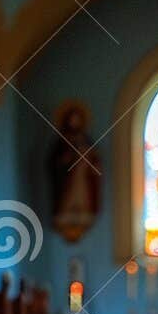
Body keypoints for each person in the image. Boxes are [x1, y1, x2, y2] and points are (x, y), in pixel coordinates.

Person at [48, 103, 101, 243]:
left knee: (81, 195)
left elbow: (95, 160)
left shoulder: (85, 140)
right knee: (69, 196)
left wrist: (90, 161)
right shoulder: (62, 141)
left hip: (83, 177)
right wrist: (67, 159)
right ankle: (67, 212)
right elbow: (54, 163)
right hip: (68, 179)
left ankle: (81, 211)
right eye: (73, 119)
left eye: (77, 119)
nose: (75, 122)